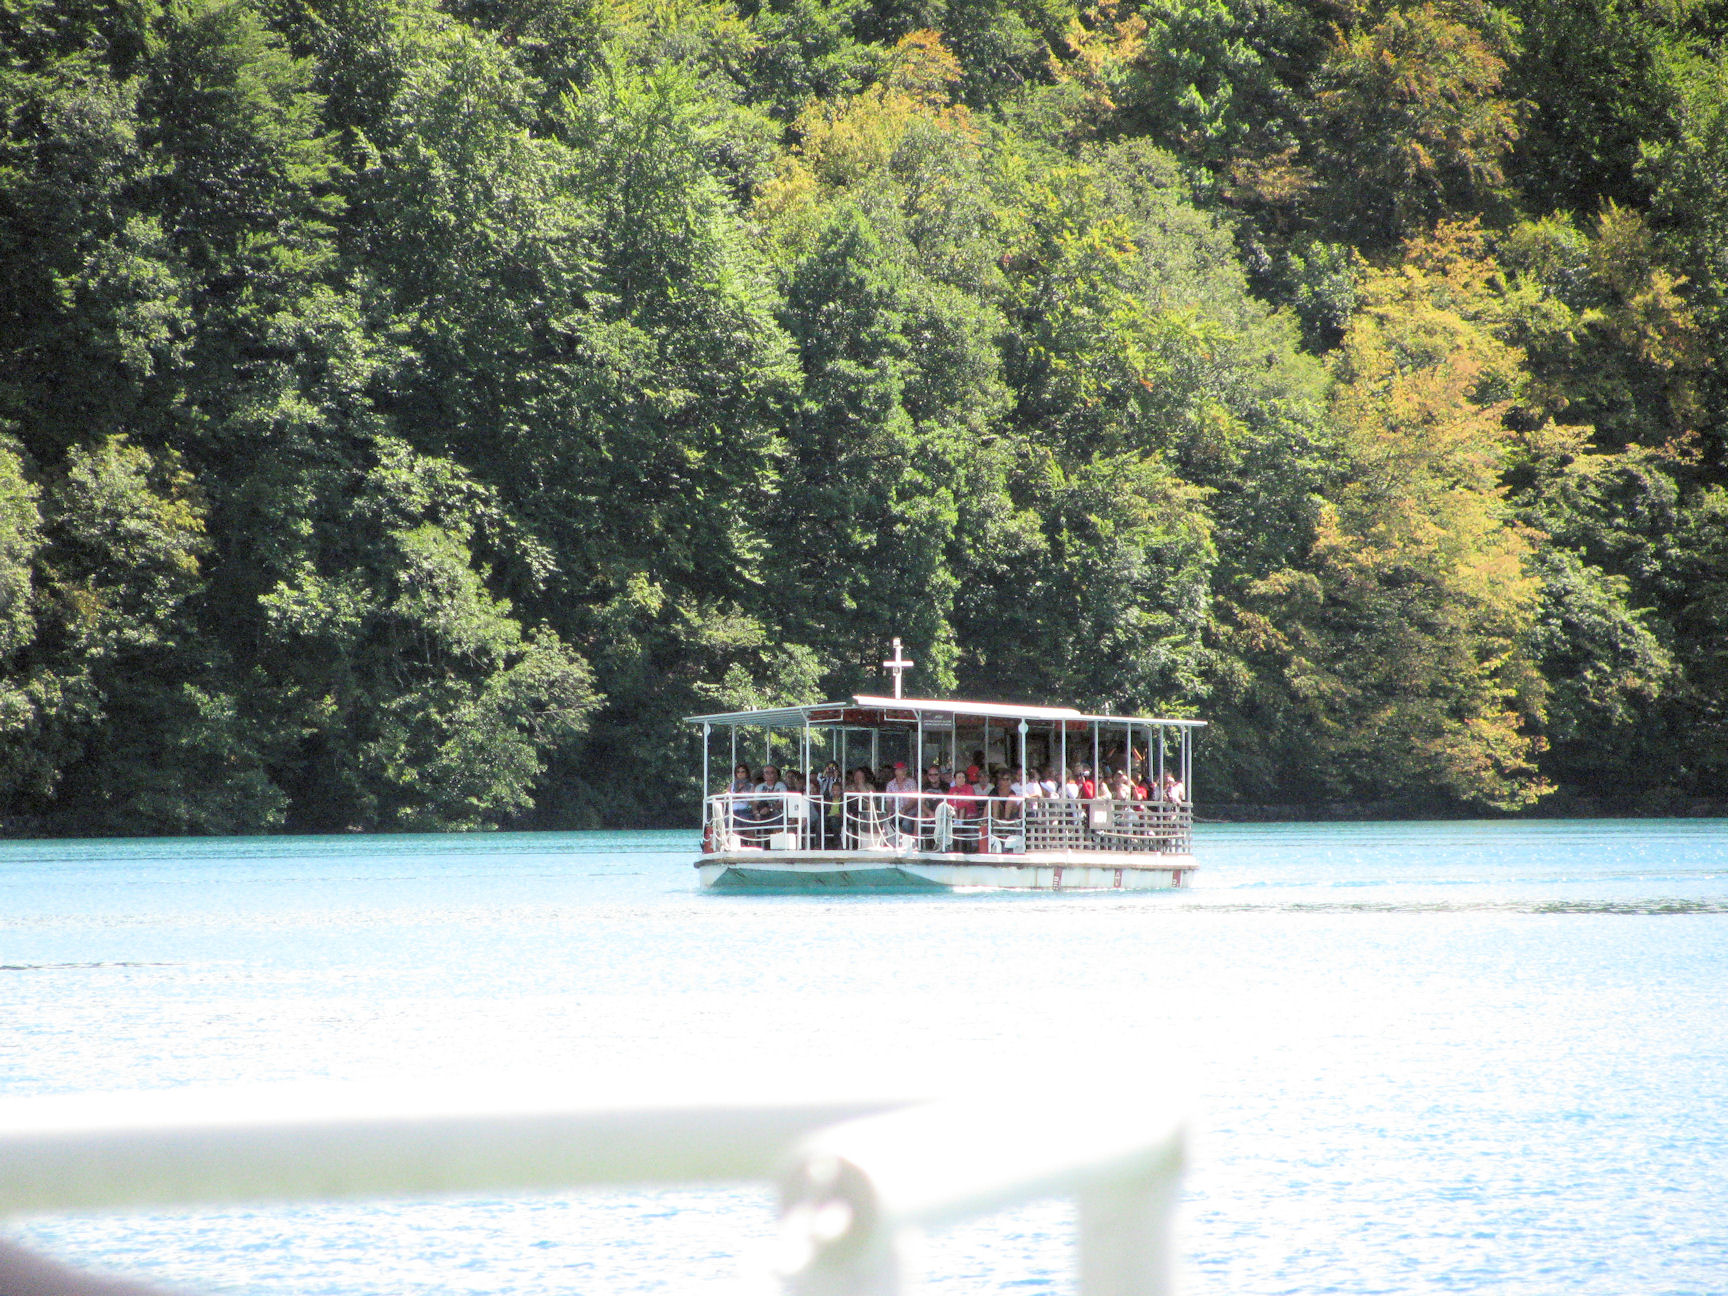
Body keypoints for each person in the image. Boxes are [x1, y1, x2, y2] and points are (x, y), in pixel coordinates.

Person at [884, 761, 919, 837]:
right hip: (895, 811)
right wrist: (890, 812)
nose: (904, 772)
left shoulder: (911, 782)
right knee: (889, 822)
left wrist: (903, 810)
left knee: (906, 824)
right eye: (901, 770)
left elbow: (913, 800)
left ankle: (909, 841)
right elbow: (889, 802)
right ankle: (899, 840)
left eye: (904, 770)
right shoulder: (890, 784)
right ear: (896, 771)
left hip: (910, 811)